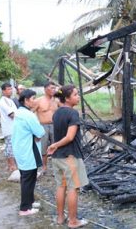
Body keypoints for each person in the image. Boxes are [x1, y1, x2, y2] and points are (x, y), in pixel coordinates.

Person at [47, 85, 89, 228]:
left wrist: (55, 146)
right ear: (67, 98)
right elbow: (70, 137)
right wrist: (55, 145)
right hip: (70, 156)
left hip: (58, 158)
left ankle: (60, 218)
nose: (78, 97)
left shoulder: (56, 113)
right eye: (75, 94)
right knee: (73, 188)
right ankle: (73, 221)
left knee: (61, 186)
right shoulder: (73, 113)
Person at [12, 89, 45, 216]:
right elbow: (40, 132)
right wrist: (37, 134)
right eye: (33, 98)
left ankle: (30, 202)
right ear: (26, 100)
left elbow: (37, 133)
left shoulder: (19, 112)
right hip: (28, 150)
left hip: (21, 149)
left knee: (27, 177)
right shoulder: (28, 115)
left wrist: (36, 134)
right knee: (28, 179)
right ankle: (24, 208)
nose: (35, 100)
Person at [34, 81, 58, 173]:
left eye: (54, 88)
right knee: (43, 148)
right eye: (52, 88)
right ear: (45, 89)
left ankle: (56, 168)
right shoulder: (39, 100)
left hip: (54, 125)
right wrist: (35, 129)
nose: (54, 90)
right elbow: (31, 113)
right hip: (43, 126)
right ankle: (44, 167)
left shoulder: (56, 100)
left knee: (55, 147)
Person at [0, 82, 18, 172]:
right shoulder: (3, 101)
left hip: (14, 128)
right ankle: (11, 165)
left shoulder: (10, 100)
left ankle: (11, 165)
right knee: (10, 147)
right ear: (3, 91)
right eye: (8, 89)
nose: (10, 91)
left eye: (11, 89)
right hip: (9, 128)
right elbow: (12, 114)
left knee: (13, 147)